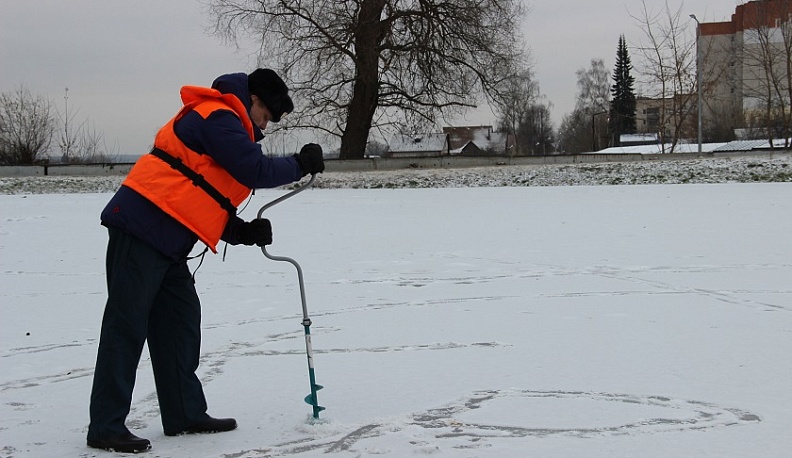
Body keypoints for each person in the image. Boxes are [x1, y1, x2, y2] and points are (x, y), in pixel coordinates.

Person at [86, 68, 324, 453]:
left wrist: (241, 232)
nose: (266, 125)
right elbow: (254, 170)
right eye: (266, 116)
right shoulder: (219, 115)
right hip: (141, 227)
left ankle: (183, 413)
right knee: (126, 327)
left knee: (179, 324)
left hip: (168, 240)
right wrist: (300, 164)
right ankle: (105, 426)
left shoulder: (227, 125)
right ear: (254, 100)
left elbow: (203, 192)